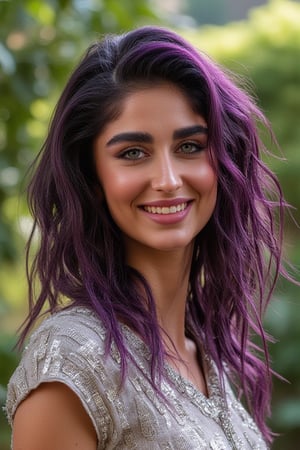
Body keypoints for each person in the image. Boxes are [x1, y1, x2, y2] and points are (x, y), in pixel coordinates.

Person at [5, 25, 292, 449]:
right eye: (133, 153)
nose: (168, 179)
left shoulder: (202, 355)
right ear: (92, 176)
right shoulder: (72, 363)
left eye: (190, 146)